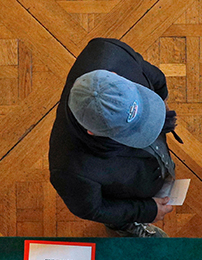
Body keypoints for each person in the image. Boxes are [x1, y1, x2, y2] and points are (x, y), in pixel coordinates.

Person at [50, 38, 178, 237]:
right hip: (131, 191)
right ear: (91, 132)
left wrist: (160, 100)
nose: (150, 125)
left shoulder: (106, 51)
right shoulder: (69, 169)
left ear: (114, 74)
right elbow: (92, 208)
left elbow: (146, 70)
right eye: (132, 131)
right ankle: (128, 228)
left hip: (146, 170)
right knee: (119, 224)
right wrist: (145, 211)